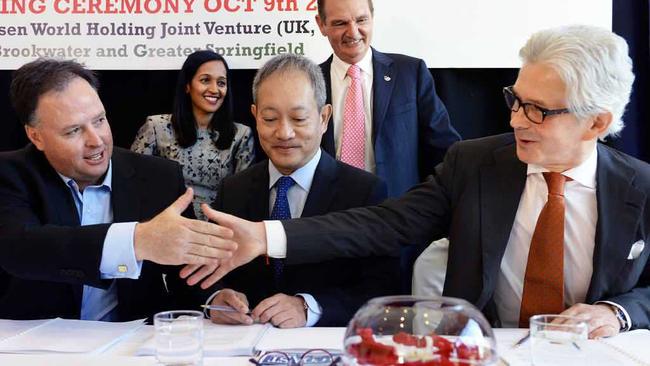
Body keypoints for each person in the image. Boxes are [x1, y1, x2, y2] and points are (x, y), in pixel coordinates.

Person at [196, 25, 650, 339]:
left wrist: (619, 312)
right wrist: (265, 235)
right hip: (480, 350)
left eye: (538, 110)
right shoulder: (473, 164)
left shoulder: (641, 188)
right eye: (515, 100)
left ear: (596, 122)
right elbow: (381, 225)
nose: (515, 120)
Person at [0, 59, 236, 321]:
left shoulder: (158, 177)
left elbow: (188, 267)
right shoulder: (9, 174)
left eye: (99, 120)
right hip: (33, 348)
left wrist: (215, 299)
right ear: (36, 137)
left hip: (132, 346)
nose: (96, 140)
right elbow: (18, 249)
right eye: (74, 131)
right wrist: (137, 241)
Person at [207, 54, 398, 328]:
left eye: (298, 118)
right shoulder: (233, 190)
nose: (284, 133)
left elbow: (383, 292)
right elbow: (207, 273)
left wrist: (310, 307)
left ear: (323, 118)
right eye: (270, 119)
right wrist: (217, 297)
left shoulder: (364, 193)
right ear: (255, 116)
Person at [315, 0, 461, 198]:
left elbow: (446, 151)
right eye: (340, 23)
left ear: (372, 18)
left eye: (361, 20)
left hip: (397, 214)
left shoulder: (411, 73)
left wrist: (426, 202)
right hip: (330, 215)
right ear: (321, 25)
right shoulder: (308, 82)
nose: (353, 32)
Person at [131, 50, 255, 220]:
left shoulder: (241, 135)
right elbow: (132, 182)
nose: (214, 89)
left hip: (218, 229)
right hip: (165, 224)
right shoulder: (156, 126)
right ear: (187, 85)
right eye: (205, 80)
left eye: (221, 83)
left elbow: (243, 196)